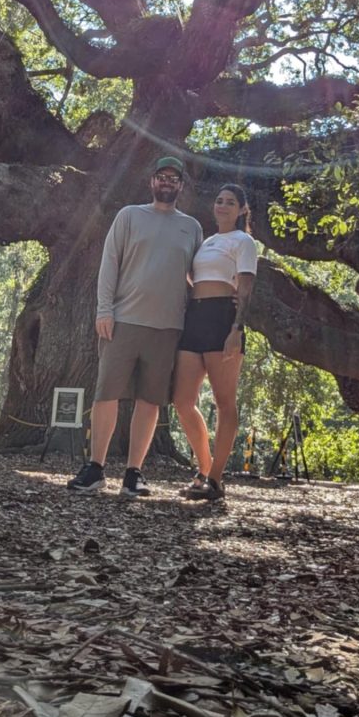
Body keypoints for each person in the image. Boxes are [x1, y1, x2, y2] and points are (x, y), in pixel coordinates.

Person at [67, 156, 203, 498]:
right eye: (162, 177)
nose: (167, 182)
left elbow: (197, 276)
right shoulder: (129, 216)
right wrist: (104, 310)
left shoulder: (192, 227)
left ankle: (133, 473)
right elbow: (110, 262)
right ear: (151, 182)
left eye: (174, 178)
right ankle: (96, 468)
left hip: (168, 326)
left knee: (150, 400)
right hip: (123, 319)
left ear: (181, 186)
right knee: (106, 393)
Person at [173, 183, 257, 501]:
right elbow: (194, 279)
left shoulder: (243, 241)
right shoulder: (205, 242)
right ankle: (204, 466)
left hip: (224, 319)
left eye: (230, 202)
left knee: (225, 402)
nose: (222, 206)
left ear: (242, 210)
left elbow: (246, 287)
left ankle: (217, 479)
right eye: (219, 200)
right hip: (194, 318)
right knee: (182, 400)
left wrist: (237, 328)